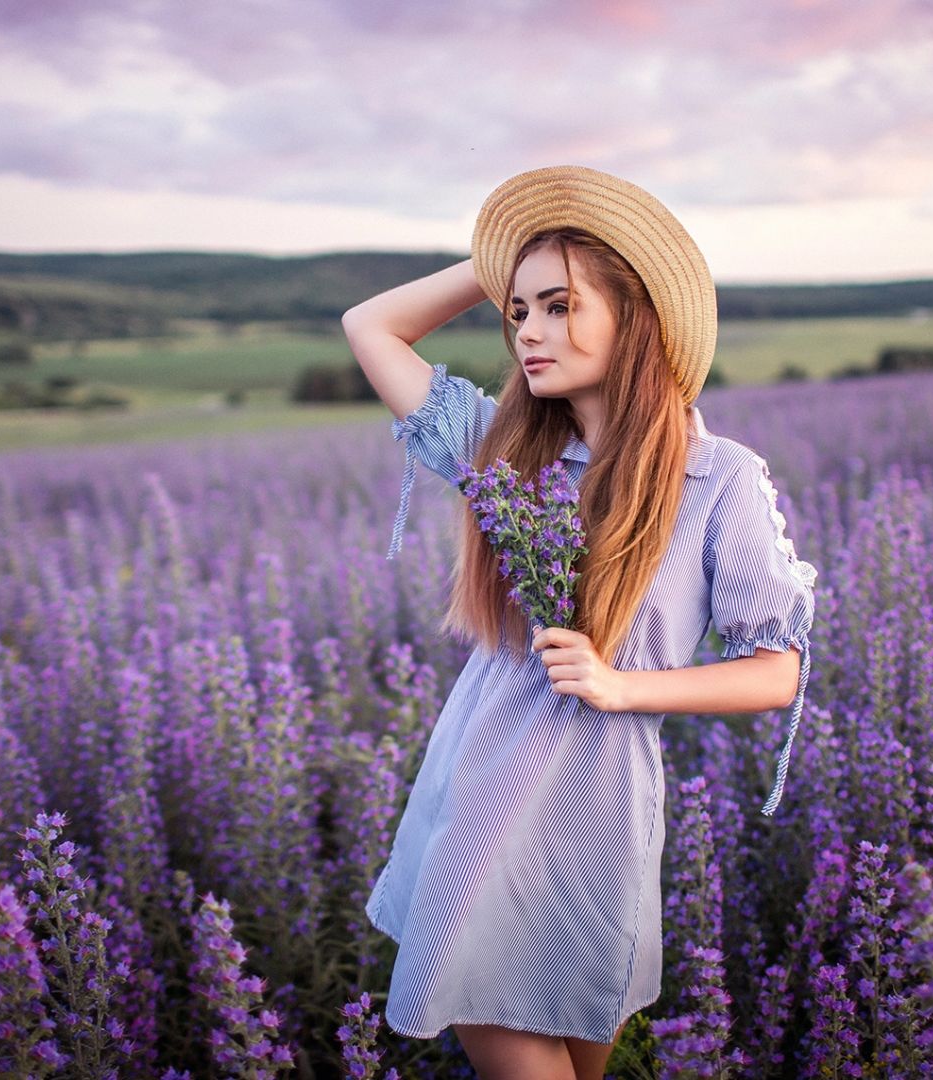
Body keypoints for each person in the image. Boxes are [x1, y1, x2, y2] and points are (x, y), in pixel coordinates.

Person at [341, 165, 818, 1080]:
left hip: (600, 811)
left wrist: (621, 683)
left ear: (634, 316)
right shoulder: (503, 451)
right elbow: (372, 326)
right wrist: (502, 263)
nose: (528, 330)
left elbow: (777, 670)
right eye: (516, 312)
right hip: (484, 789)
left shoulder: (717, 480)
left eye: (560, 305)